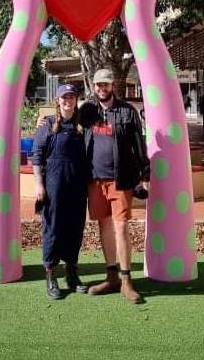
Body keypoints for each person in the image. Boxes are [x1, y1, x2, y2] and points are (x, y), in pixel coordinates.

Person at [80, 69, 150, 304]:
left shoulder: (127, 111)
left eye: (106, 84)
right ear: (94, 86)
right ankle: (111, 277)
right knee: (105, 226)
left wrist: (145, 175)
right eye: (98, 84)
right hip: (94, 179)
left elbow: (139, 145)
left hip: (120, 180)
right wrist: (49, 123)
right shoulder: (88, 110)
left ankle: (127, 280)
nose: (102, 88)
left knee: (120, 227)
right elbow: (73, 132)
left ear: (112, 86)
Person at [32, 84, 89, 299]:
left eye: (72, 97)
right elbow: (36, 154)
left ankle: (71, 275)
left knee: (75, 228)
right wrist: (39, 184)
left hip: (77, 184)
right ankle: (51, 276)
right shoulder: (47, 124)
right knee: (53, 228)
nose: (68, 101)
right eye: (64, 97)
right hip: (54, 185)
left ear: (76, 100)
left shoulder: (82, 123)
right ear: (58, 100)